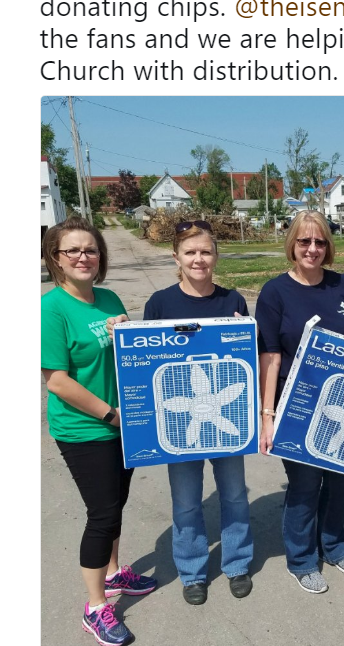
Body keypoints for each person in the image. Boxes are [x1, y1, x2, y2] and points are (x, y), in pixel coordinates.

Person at [41, 217, 157, 646]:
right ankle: (95, 608)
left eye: (90, 249)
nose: (83, 257)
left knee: (116, 503)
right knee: (102, 514)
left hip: (122, 423)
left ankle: (113, 575)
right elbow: (56, 380)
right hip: (85, 428)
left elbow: (126, 356)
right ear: (56, 258)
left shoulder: (107, 298)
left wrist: (123, 331)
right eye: (72, 250)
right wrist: (113, 416)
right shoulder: (50, 309)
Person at [140, 220, 254, 604]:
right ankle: (192, 573)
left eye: (205, 251)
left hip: (227, 415)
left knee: (235, 495)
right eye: (190, 252)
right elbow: (144, 360)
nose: (199, 259)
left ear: (216, 256)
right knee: (187, 501)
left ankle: (236, 563)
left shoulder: (232, 300)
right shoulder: (160, 303)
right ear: (176, 257)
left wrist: (246, 333)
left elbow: (244, 358)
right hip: (180, 419)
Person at [256, 210, 344, 595]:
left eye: (319, 242)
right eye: (304, 241)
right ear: (292, 245)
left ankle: (333, 546)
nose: (312, 249)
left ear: (329, 246)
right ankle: (301, 560)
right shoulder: (274, 291)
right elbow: (270, 356)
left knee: (341, 482)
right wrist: (268, 417)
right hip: (296, 405)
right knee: (304, 485)